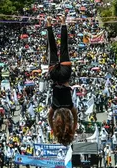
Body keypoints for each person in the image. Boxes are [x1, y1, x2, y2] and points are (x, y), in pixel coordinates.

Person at [46, 16, 78, 146]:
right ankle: (49, 24)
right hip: (54, 75)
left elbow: (75, 117)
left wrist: (74, 128)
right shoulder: (55, 107)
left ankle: (63, 22)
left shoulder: (70, 106)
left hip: (65, 75)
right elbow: (49, 117)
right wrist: (53, 129)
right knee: (52, 49)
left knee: (64, 47)